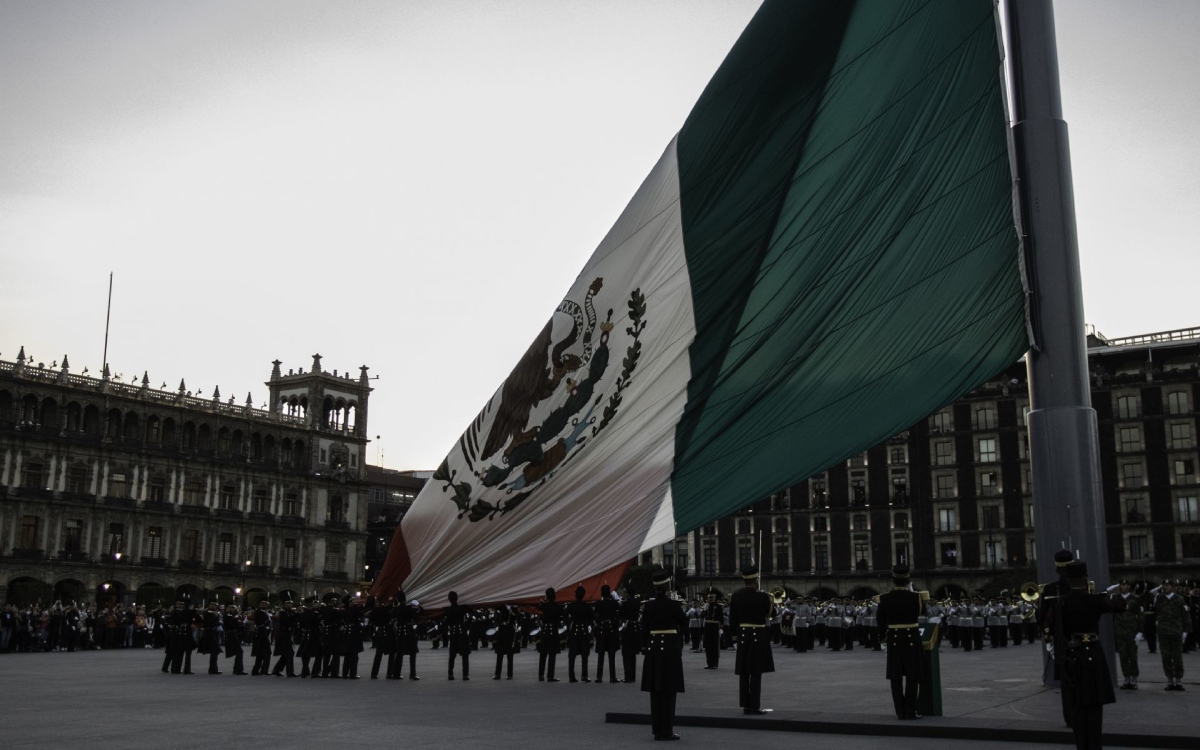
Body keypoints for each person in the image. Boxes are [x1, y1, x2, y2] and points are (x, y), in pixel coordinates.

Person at [1046, 560, 1125, 750]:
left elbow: (1053, 628)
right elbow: (1121, 605)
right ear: (1085, 578)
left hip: (1072, 656)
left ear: (1067, 579)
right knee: (1095, 706)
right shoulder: (1095, 600)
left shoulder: (1061, 602)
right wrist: (1111, 594)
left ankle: (1081, 745)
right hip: (1094, 655)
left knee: (1077, 706)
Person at [641, 569, 687, 741]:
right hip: (669, 650)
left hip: (653, 650)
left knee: (655, 691)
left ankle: (657, 730)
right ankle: (667, 731)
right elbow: (684, 622)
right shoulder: (673, 605)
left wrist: (645, 647)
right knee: (669, 691)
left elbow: (644, 628)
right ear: (668, 586)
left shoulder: (649, 606)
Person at [875, 565, 925, 720]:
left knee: (895, 678)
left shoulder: (884, 598)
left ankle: (900, 711)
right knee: (913, 676)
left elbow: (880, 622)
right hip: (912, 639)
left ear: (893, 580)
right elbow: (923, 612)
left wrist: (882, 637)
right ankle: (910, 711)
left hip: (894, 639)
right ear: (908, 580)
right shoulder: (916, 597)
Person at [728, 565, 773, 714]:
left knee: (744, 671)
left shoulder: (736, 595)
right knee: (756, 671)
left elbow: (732, 618)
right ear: (755, 580)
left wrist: (735, 636)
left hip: (742, 635)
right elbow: (770, 614)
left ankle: (745, 705)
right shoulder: (762, 596)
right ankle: (754, 705)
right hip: (758, 635)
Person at [1040, 549, 1076, 726]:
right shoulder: (1085, 587)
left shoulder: (1048, 589)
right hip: (1085, 640)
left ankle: (1070, 718)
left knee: (1067, 684)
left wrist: (1049, 640)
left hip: (1062, 642)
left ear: (1056, 567)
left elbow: (1042, 618)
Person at [1153, 580, 1192, 691]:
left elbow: (1185, 615)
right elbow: (1151, 600)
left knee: (1177, 657)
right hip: (1163, 632)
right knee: (1166, 657)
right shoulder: (1160, 598)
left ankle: (1178, 680)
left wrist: (1185, 631)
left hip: (1176, 631)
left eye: (1168, 585)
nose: (1166, 587)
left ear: (1173, 587)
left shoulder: (1179, 599)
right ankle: (1170, 679)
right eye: (1164, 585)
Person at [1109, 580, 1143, 690]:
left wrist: (1140, 631)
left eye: (1124, 585)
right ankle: (1126, 678)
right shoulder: (1115, 598)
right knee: (1123, 655)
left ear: (1129, 586)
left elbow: (1141, 615)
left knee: (1132, 655)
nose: (1122, 587)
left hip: (1132, 630)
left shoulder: (1135, 599)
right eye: (1121, 585)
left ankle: (1134, 678)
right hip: (1120, 631)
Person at [592, 585, 621, 683]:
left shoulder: (598, 604)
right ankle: (612, 677)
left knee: (601, 653)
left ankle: (599, 676)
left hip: (601, 628)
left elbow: (595, 616)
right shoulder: (613, 603)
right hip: (611, 628)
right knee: (611, 653)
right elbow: (618, 611)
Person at [566, 586, 594, 682]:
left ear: (575, 595)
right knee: (584, 654)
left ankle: (571, 676)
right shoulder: (587, 606)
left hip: (574, 630)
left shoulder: (571, 605)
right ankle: (584, 675)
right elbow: (591, 617)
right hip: (583, 630)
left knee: (572, 655)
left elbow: (565, 615)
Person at [536, 588, 563, 682]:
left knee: (543, 653)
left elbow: (538, 606)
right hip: (553, 630)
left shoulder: (544, 606)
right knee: (552, 654)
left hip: (545, 630)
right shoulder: (558, 607)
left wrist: (543, 601)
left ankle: (541, 675)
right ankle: (550, 676)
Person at [443, 590, 472, 680]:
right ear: (457, 598)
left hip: (453, 633)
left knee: (452, 655)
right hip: (461, 632)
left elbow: (445, 620)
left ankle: (450, 674)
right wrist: (466, 625)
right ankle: (465, 674)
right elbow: (471, 613)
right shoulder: (462, 608)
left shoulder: (447, 610)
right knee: (465, 655)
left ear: (449, 599)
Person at [619, 589, 642, 683]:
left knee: (626, 654)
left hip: (628, 628)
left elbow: (621, 615)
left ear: (627, 594)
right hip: (636, 628)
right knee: (633, 654)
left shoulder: (625, 603)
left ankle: (627, 676)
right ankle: (633, 676)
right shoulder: (637, 602)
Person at [297, 597, 323, 678]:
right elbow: (318, 625)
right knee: (319, 653)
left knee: (305, 653)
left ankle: (305, 670)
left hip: (305, 634)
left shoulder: (302, 614)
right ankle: (315, 672)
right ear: (311, 604)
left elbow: (300, 625)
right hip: (314, 635)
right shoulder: (315, 614)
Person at [492, 605, 520, 680]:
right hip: (502, 632)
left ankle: (510, 674)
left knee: (510, 654)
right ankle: (497, 674)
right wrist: (497, 626)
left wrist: (511, 610)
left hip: (510, 632)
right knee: (499, 654)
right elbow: (497, 619)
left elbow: (516, 618)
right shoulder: (501, 607)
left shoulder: (514, 608)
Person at [272, 597, 298, 677]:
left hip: (287, 634)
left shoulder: (291, 612)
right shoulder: (283, 612)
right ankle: (290, 672)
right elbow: (286, 623)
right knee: (289, 653)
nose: (289, 605)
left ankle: (276, 669)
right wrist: (293, 623)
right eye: (287, 603)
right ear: (284, 604)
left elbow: (295, 619)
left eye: (290, 603)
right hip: (283, 634)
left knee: (286, 654)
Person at [197, 602, 223, 674]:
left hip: (213, 632)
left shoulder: (213, 613)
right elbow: (209, 622)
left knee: (214, 651)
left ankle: (213, 668)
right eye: (213, 605)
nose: (214, 607)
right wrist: (218, 622)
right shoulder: (208, 613)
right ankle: (213, 669)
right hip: (209, 632)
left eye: (215, 606)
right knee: (215, 650)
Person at [250, 599, 272, 676]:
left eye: (266, 604)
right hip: (261, 633)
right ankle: (264, 669)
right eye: (263, 604)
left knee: (261, 653)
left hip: (262, 633)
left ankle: (256, 670)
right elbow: (262, 622)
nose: (265, 605)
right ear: (260, 604)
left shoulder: (262, 612)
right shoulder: (260, 612)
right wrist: (268, 621)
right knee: (267, 652)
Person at [224, 604, 248, 675]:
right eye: (233, 608)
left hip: (233, 633)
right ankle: (238, 669)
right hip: (231, 634)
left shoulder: (231, 615)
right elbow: (232, 624)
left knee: (238, 652)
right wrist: (238, 621)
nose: (235, 609)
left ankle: (237, 669)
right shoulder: (228, 615)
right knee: (239, 652)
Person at [701, 592, 723, 668]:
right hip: (707, 626)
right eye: (708, 598)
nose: (709, 599)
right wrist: (704, 609)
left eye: (711, 597)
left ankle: (715, 663)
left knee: (714, 646)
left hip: (714, 626)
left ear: (714, 598)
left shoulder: (718, 607)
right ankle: (709, 663)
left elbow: (721, 617)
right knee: (708, 646)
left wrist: (721, 627)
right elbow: (701, 616)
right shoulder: (706, 606)